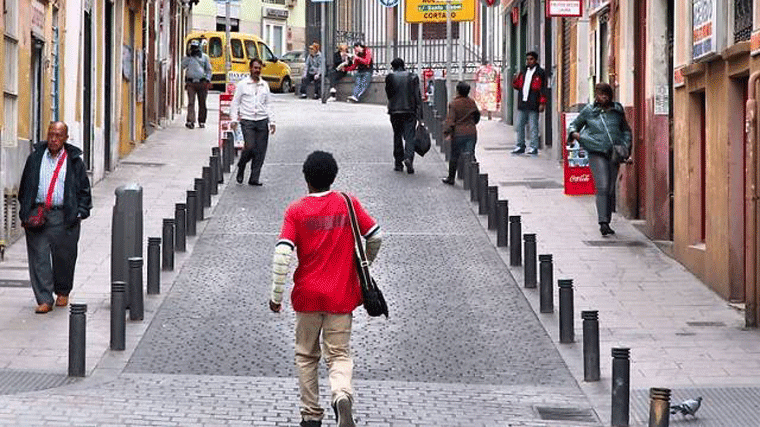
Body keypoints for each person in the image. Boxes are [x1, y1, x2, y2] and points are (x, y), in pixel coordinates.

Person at [270, 150, 382, 427]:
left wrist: (275, 294)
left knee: (306, 355)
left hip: (307, 295)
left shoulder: (296, 211)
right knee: (339, 354)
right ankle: (341, 394)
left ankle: (311, 414)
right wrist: (362, 264)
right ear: (333, 177)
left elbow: (283, 253)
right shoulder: (348, 203)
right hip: (341, 295)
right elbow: (375, 235)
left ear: (306, 178)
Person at [17, 122, 92, 314]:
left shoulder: (74, 161)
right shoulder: (35, 158)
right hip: (38, 213)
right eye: (51, 134)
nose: (54, 139)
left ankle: (62, 290)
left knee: (64, 257)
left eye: (58, 135)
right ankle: (44, 298)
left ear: (66, 138)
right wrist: (25, 211)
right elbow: (24, 186)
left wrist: (80, 212)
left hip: (64, 215)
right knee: (39, 258)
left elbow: (84, 190)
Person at [567, 83, 632, 236]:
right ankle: (603, 223)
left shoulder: (617, 110)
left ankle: (607, 221)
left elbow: (626, 130)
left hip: (614, 152)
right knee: (602, 186)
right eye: (600, 94)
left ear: (610, 95)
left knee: (609, 188)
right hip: (596, 151)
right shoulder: (589, 111)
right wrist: (576, 135)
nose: (603, 97)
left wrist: (626, 146)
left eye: (606, 94)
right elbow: (574, 125)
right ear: (596, 95)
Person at [231, 58, 276, 186]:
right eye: (255, 68)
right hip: (248, 120)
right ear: (250, 68)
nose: (257, 70)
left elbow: (269, 104)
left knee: (260, 151)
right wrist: (234, 119)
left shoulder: (264, 85)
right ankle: (241, 165)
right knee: (250, 146)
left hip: (262, 120)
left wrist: (272, 121)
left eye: (259, 68)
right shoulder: (243, 84)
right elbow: (235, 102)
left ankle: (254, 178)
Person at [384, 58, 423, 174]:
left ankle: (398, 163)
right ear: (403, 65)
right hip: (410, 111)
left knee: (397, 135)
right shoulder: (413, 76)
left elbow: (389, 94)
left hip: (395, 111)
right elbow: (417, 95)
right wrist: (420, 114)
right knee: (410, 136)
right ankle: (408, 157)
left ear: (393, 67)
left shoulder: (390, 77)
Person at [442, 81, 480, 185]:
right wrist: (472, 124)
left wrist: (447, 132)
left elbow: (450, 120)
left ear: (458, 91)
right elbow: (477, 116)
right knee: (470, 155)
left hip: (458, 133)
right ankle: (473, 179)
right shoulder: (472, 102)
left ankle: (451, 178)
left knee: (454, 156)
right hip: (471, 132)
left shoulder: (454, 104)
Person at [511, 51, 547, 155]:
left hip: (534, 102)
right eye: (527, 59)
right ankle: (520, 145)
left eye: (531, 59)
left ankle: (533, 147)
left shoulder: (540, 72)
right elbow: (517, 86)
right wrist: (515, 79)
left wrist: (542, 102)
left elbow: (543, 88)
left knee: (533, 126)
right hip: (523, 102)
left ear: (535, 60)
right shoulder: (523, 71)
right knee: (519, 125)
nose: (529, 61)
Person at [182, 39, 213, 129]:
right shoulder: (189, 57)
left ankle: (202, 121)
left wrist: (207, 79)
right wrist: (187, 56)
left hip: (202, 82)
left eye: (196, 47)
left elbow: (209, 69)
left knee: (202, 103)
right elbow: (183, 65)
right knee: (191, 102)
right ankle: (190, 121)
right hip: (191, 82)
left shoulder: (204, 57)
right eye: (193, 47)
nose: (194, 50)